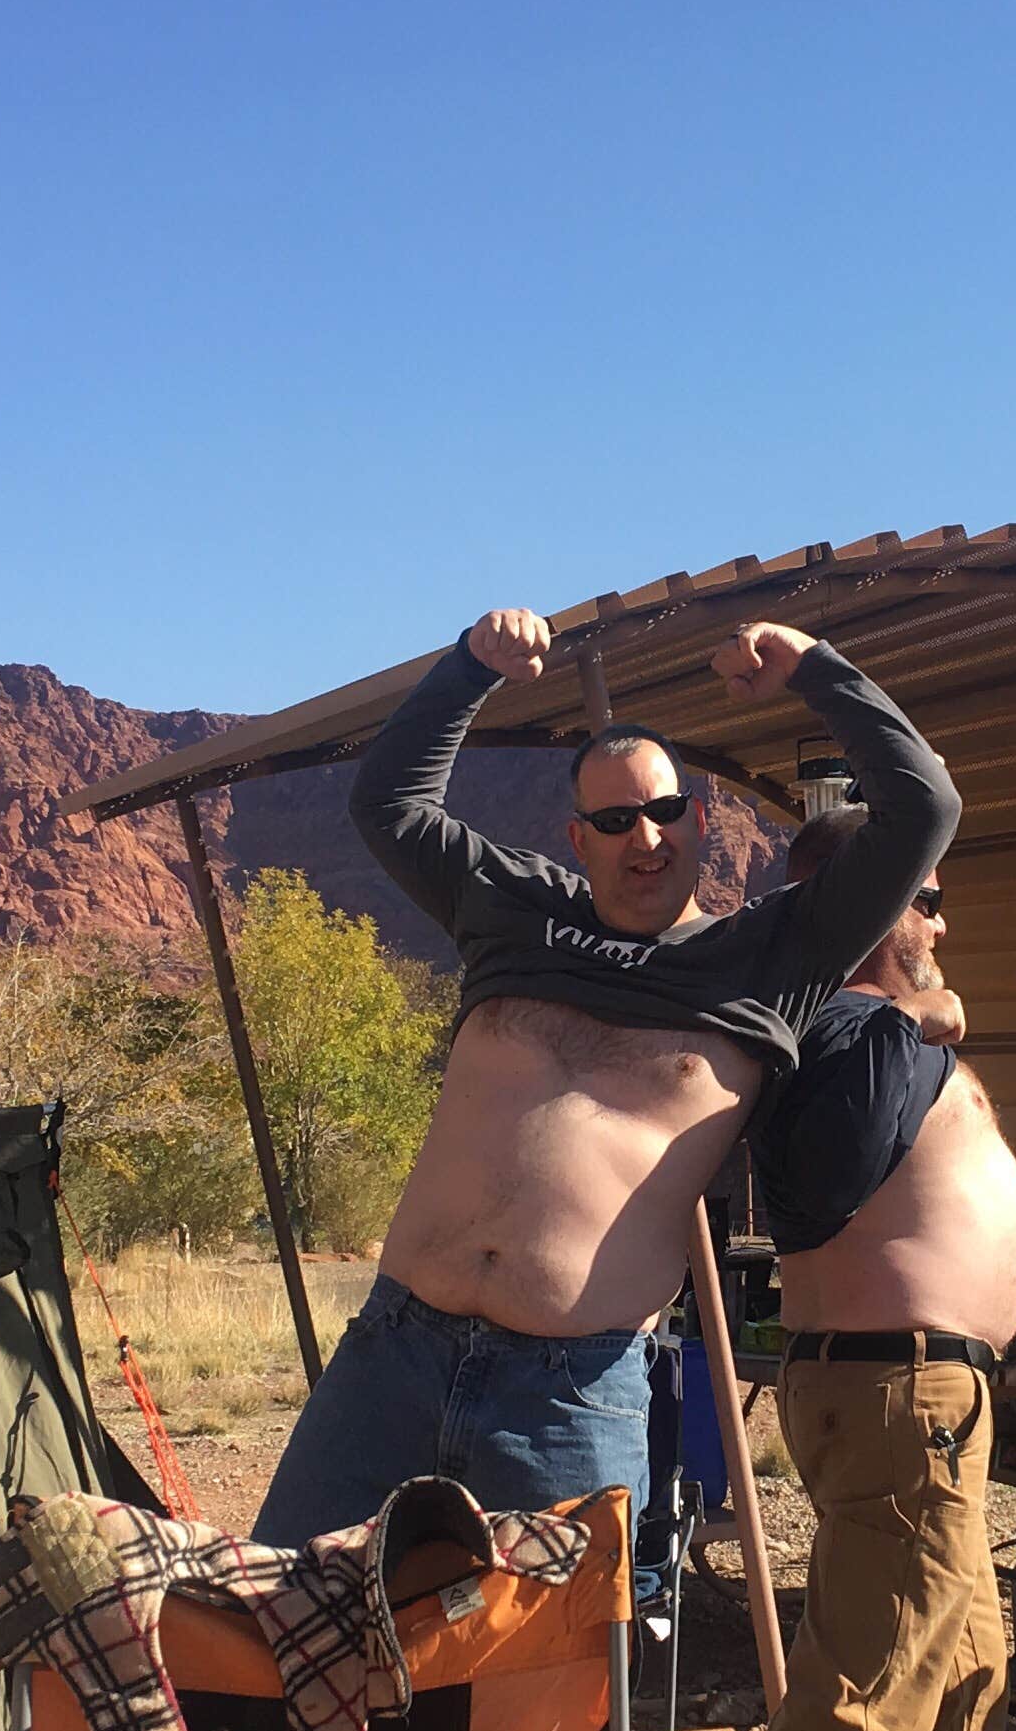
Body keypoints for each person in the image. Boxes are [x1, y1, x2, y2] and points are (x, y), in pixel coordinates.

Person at [249, 607, 958, 1547]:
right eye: (615, 819)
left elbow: (927, 807)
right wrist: (470, 668)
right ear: (579, 840)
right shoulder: (510, 906)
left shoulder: (770, 956)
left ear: (699, 822)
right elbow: (388, 803)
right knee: (281, 1643)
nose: (646, 838)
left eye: (665, 812)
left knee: (549, 1689)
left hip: (569, 1398)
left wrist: (816, 668)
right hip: (394, 1356)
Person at [695, 818, 1016, 1731]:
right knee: (863, 1703)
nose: (943, 922)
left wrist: (929, 1017)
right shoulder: (837, 1029)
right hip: (901, 1400)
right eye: (926, 897)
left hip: (926, 1397)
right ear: (862, 904)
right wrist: (918, 1017)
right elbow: (840, 1139)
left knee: (967, 1683)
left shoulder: (865, 1030)